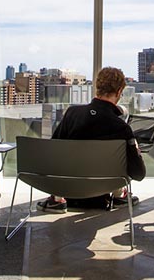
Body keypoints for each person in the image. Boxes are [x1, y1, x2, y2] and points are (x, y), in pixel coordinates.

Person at [37, 67, 147, 213]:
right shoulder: (122, 128)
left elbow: (53, 151)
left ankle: (57, 199)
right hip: (102, 190)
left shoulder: (72, 114)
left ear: (97, 87)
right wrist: (136, 150)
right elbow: (138, 173)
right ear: (119, 91)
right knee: (123, 158)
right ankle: (119, 195)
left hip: (70, 189)